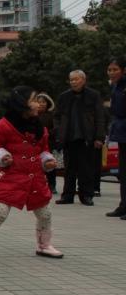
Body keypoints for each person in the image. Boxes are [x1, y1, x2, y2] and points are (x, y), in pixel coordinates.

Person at [0, 87, 63, 263]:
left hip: (34, 178)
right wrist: (1, 156)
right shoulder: (4, 125)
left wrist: (47, 160)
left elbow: (43, 149)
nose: (39, 103)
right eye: (35, 99)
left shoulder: (39, 127)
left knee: (45, 213)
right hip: (10, 176)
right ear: (22, 104)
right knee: (0, 211)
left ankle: (44, 245)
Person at [54, 70, 105, 206]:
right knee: (69, 168)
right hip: (69, 137)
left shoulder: (93, 95)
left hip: (87, 137)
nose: (73, 82)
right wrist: (59, 131)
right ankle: (67, 195)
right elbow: (57, 116)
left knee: (86, 169)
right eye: (71, 80)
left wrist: (99, 137)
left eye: (76, 79)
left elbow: (100, 117)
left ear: (83, 80)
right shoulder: (64, 97)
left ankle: (86, 195)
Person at [105, 58, 126, 220]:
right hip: (120, 130)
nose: (111, 72)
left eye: (115, 69)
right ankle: (123, 205)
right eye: (110, 70)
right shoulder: (115, 86)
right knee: (122, 171)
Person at [36, 93, 58, 194]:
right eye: (39, 102)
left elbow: (56, 128)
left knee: (50, 165)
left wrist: (47, 133)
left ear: (48, 103)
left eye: (43, 102)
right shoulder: (32, 115)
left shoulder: (52, 115)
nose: (41, 104)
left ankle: (52, 185)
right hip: (35, 144)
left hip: (49, 143)